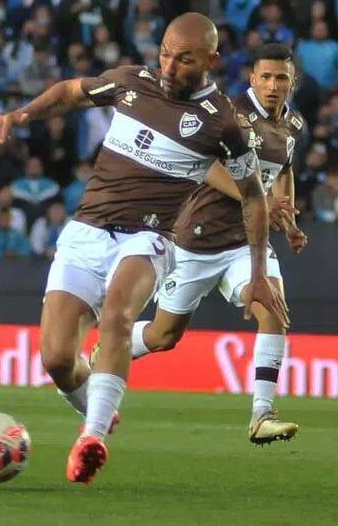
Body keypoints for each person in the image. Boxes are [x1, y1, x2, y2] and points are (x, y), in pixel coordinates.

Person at [0, 13, 286, 485]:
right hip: (87, 230)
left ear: (210, 60)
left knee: (118, 317)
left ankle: (91, 439)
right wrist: (23, 113)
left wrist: (257, 271)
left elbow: (253, 195)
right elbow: (72, 92)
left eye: (183, 59)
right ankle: (98, 408)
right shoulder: (132, 82)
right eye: (165, 53)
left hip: (148, 236)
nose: (169, 66)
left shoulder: (224, 124)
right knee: (58, 359)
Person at [121, 44, 306, 445]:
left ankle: (261, 414)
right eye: (267, 77)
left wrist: (286, 217)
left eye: (282, 78)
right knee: (163, 337)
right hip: (196, 242)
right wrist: (258, 198)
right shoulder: (228, 116)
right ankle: (107, 350)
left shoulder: (293, 125)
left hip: (246, 244)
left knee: (274, 307)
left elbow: (284, 169)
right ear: (252, 78)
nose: (274, 85)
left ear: (293, 83)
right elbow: (206, 168)